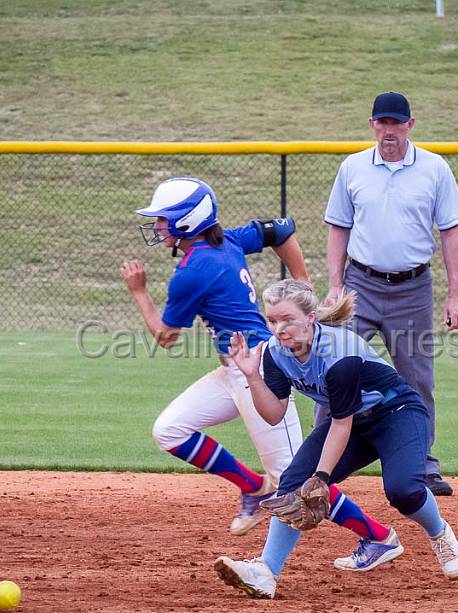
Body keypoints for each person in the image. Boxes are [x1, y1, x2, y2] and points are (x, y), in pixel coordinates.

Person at [123, 178, 398, 557]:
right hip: (237, 366)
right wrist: (303, 281)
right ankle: (252, 486)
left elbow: (166, 336)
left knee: (293, 476)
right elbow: (281, 231)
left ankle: (378, 536)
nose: (157, 226)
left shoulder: (193, 270)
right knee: (169, 430)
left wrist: (139, 291)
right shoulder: (227, 239)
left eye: (163, 219)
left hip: (261, 368)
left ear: (187, 222)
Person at [214, 279, 458, 599]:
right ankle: (266, 572)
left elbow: (341, 424)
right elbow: (274, 414)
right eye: (273, 320)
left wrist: (321, 477)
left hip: (397, 413)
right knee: (292, 484)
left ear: (310, 318)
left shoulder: (338, 353)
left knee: (403, 490)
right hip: (351, 421)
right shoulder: (275, 353)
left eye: (287, 319)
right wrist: (251, 376)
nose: (279, 329)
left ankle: (439, 534)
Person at [320, 91, 458, 498]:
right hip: (359, 285)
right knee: (335, 367)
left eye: (395, 123)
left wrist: (455, 294)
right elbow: (338, 228)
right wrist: (335, 285)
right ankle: (317, 468)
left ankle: (422, 465)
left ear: (410, 125)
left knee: (417, 379)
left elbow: (450, 232)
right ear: (371, 125)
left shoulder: (434, 169)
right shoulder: (352, 168)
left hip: (413, 288)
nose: (388, 130)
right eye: (381, 122)